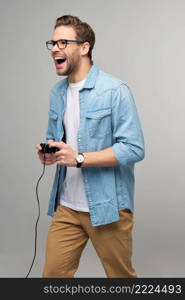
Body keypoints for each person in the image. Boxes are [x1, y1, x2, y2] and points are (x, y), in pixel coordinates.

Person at [36, 15, 145, 278]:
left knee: (121, 280)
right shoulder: (57, 92)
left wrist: (80, 158)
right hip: (67, 206)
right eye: (52, 42)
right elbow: (61, 142)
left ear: (84, 47)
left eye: (63, 42)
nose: (54, 49)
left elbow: (133, 148)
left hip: (107, 207)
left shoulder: (114, 90)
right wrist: (50, 153)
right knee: (52, 278)